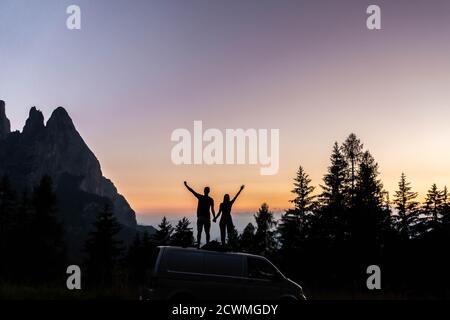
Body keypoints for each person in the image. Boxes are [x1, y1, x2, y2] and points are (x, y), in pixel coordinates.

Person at [184, 181, 215, 247]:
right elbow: (212, 209)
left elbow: (192, 191)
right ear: (209, 191)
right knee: (207, 233)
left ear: (204, 191)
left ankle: (198, 244)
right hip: (207, 218)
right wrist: (214, 217)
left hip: (201, 217)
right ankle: (207, 244)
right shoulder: (211, 199)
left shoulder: (201, 197)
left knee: (199, 232)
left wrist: (186, 185)